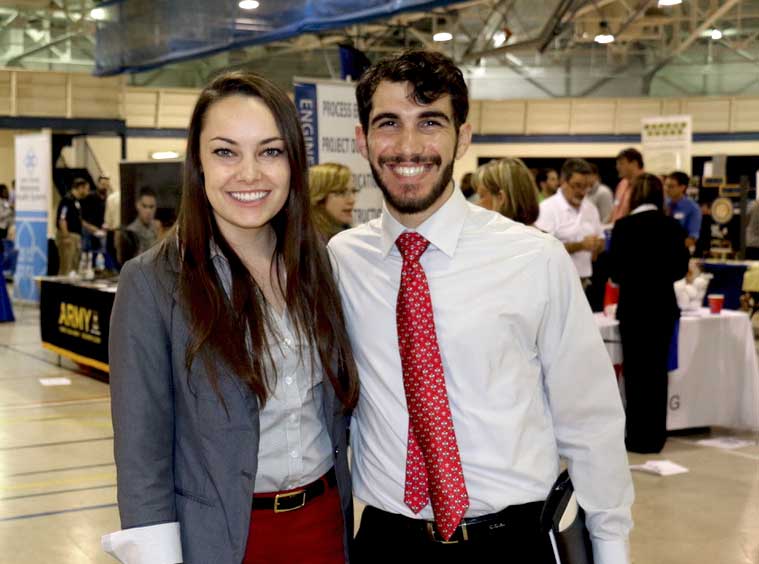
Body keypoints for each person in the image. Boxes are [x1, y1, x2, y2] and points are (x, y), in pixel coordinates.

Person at [329, 49, 633, 563]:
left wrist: (610, 547)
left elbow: (590, 421)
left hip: (513, 542)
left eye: (430, 122)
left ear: (462, 137)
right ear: (362, 140)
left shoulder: (534, 258)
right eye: (388, 124)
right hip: (387, 542)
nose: (408, 146)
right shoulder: (341, 262)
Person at [102, 71, 359, 564]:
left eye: (270, 151)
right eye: (226, 152)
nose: (249, 174)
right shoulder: (153, 283)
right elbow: (142, 459)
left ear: (293, 162)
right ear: (198, 162)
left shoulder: (319, 264)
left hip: (324, 526)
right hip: (223, 542)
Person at [608, 173, 689, 453]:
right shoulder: (672, 227)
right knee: (657, 373)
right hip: (662, 307)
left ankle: (636, 436)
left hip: (633, 308)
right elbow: (680, 270)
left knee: (635, 373)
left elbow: (615, 273)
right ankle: (656, 436)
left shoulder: (622, 227)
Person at [535, 158, 605, 297]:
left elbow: (601, 239)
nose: (582, 192)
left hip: (584, 281)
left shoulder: (590, 208)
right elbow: (543, 250)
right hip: (556, 283)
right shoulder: (547, 209)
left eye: (587, 186)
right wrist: (580, 245)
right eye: (577, 185)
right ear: (563, 182)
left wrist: (597, 245)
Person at [472, 157, 539, 226]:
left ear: (500, 198)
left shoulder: (493, 235)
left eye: (481, 196)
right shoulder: (542, 235)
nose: (477, 204)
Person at [309, 162, 357, 240]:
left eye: (354, 191)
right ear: (319, 196)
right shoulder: (307, 242)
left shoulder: (347, 235)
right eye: (341, 192)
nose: (352, 200)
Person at [55, 177, 89, 275]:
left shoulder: (76, 202)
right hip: (68, 235)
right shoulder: (67, 200)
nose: (87, 192)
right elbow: (62, 219)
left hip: (76, 236)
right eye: (86, 189)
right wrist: (66, 237)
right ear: (80, 188)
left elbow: (78, 220)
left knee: (74, 266)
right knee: (66, 266)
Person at [120, 186, 161, 262]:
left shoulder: (156, 226)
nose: (148, 211)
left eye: (151, 207)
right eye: (144, 206)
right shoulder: (131, 232)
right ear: (138, 206)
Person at [664, 171, 701, 252]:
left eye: (671, 186)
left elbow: (692, 238)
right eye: (666, 185)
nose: (666, 189)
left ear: (682, 187)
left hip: (679, 252)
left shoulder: (692, 208)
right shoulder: (661, 203)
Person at [610, 148, 644, 222]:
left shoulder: (647, 184)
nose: (617, 167)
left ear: (634, 164)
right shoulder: (621, 184)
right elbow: (615, 210)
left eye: (621, 163)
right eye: (617, 164)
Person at [81, 176, 108, 257]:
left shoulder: (108, 199)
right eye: (102, 184)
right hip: (89, 228)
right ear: (98, 184)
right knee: (87, 251)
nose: (104, 186)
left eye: (106, 184)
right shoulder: (90, 197)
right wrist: (89, 227)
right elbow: (81, 215)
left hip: (102, 230)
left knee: (101, 252)